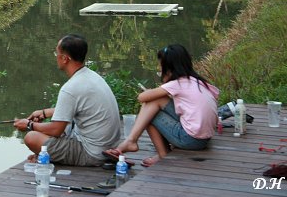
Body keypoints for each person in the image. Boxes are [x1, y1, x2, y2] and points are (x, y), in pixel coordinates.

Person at [13, 34, 122, 166]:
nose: (56, 57)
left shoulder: (70, 88)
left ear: (65, 59)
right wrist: (45, 112)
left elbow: (56, 130)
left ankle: (48, 154)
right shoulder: (92, 77)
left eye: (56, 53)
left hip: (93, 153)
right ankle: (47, 153)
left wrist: (29, 125)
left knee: (32, 138)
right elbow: (79, 108)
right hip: (109, 148)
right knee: (61, 126)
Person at [103, 44, 219, 167]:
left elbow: (141, 97)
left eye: (161, 66)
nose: (159, 69)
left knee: (150, 110)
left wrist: (151, 92)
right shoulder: (198, 82)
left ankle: (157, 152)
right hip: (204, 138)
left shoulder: (177, 84)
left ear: (169, 69)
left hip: (191, 140)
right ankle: (131, 141)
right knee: (156, 100)